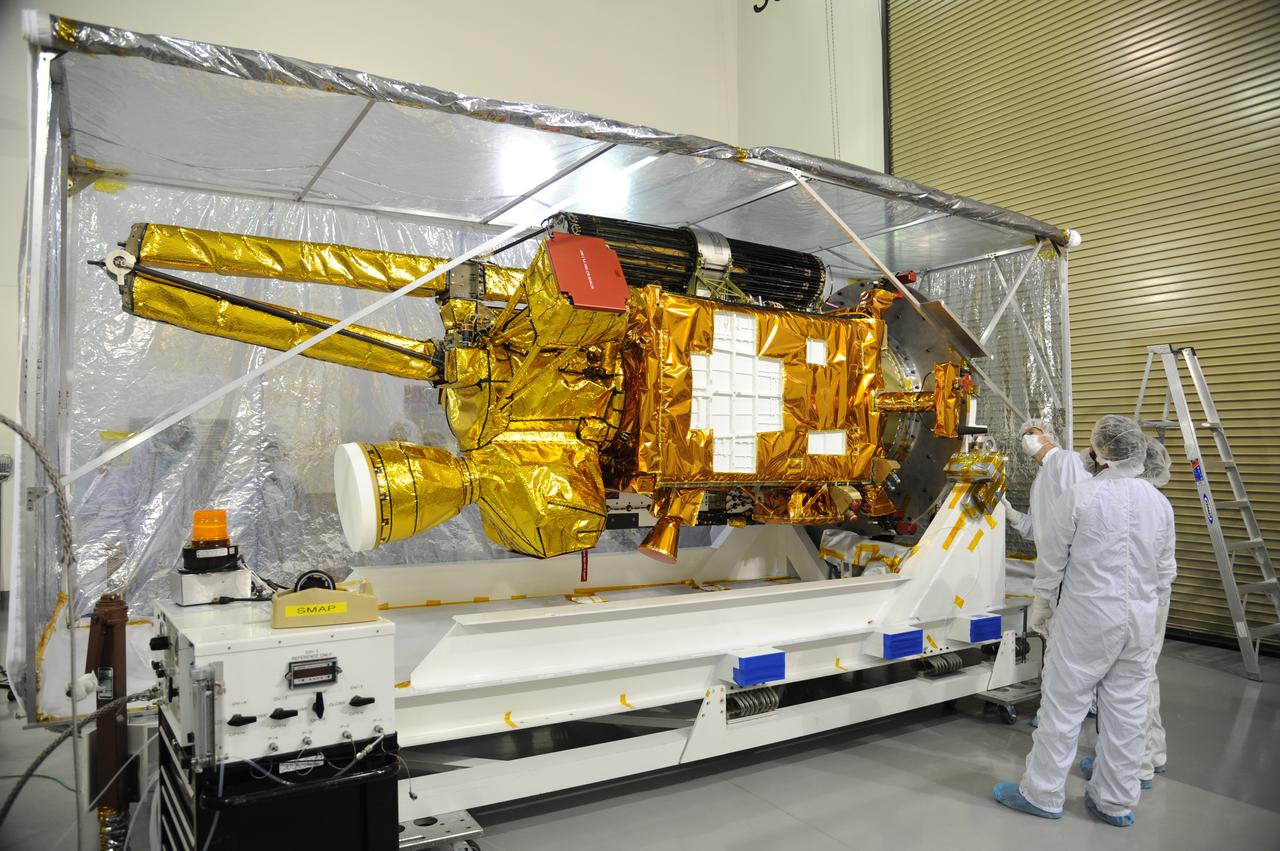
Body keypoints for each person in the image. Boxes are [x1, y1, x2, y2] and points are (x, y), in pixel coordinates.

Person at [994, 415, 1177, 827]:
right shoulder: (1158, 502)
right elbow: (1165, 572)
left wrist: (1042, 605)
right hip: (1140, 623)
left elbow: (1053, 561)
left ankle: (1041, 793)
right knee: (1127, 712)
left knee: (1064, 706)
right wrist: (1149, 618)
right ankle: (1114, 802)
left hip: (1087, 618)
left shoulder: (1080, 496)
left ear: (1103, 452)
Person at [1080, 436, 1173, 789]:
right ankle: (1153, 753)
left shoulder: (1135, 501)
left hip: (1139, 603)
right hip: (1151, 601)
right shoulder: (1155, 501)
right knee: (1145, 678)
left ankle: (1137, 765)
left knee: (1135, 686)